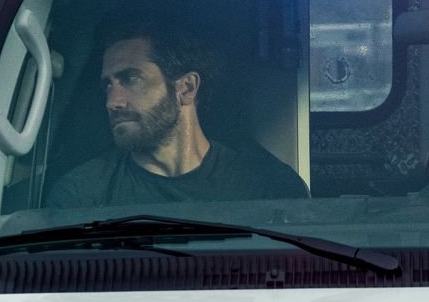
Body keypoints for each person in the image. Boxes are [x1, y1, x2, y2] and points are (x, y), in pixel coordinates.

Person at [47, 17, 308, 207]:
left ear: (186, 88)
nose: (112, 102)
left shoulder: (267, 187)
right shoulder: (83, 194)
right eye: (108, 85)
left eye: (130, 79)